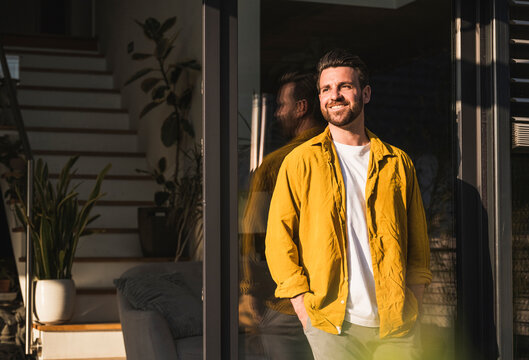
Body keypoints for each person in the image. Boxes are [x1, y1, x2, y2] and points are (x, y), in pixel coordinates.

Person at [265, 49, 432, 360]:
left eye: (344, 86)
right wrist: (304, 309)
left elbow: (418, 247)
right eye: (326, 89)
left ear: (365, 93)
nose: (335, 96)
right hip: (332, 326)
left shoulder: (397, 163)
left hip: (396, 327)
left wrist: (415, 305)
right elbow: (279, 242)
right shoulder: (300, 162)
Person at [239, 71, 325, 359]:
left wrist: (250, 290)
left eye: (281, 105)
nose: (277, 113)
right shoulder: (343, 155)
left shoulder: (277, 164)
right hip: (336, 302)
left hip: (287, 305)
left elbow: (254, 233)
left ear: (301, 108)